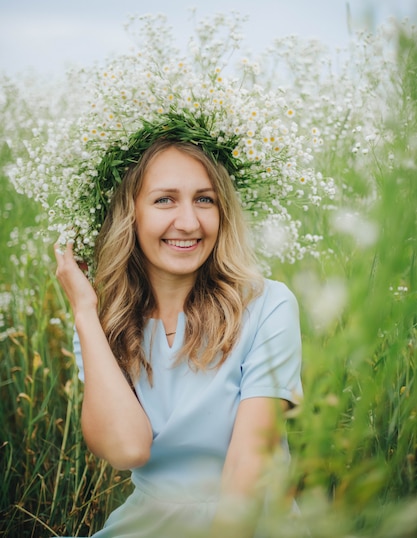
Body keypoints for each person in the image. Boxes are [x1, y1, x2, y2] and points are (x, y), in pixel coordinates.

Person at [54, 134, 303, 538]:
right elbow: (127, 450)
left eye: (204, 199)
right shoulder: (102, 325)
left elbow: (248, 467)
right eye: (164, 200)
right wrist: (84, 312)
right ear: (128, 213)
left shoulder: (268, 305)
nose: (188, 222)